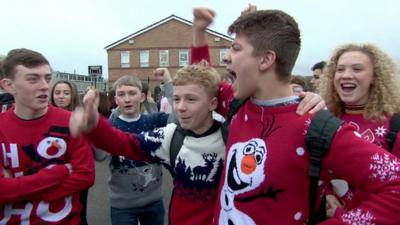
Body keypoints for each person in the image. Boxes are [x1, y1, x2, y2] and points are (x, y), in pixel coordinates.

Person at [191, 7, 400, 224]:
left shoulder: (317, 127)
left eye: (235, 49)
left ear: (265, 60)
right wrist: (199, 30)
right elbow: (201, 82)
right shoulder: (236, 105)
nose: (226, 57)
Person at [0, 48, 95, 224]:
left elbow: (85, 176)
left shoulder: (70, 121)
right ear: (8, 85)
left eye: (48, 78)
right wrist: (59, 173)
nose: (45, 85)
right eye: (33, 79)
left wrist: (20, 188)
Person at [319, 43, 400, 216]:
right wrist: (326, 194)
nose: (346, 75)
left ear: (375, 78)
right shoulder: (323, 120)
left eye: (357, 69)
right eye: (340, 69)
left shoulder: (394, 126)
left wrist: (344, 215)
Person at [96, 70, 173, 225]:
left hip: (153, 201)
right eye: (122, 94)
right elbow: (100, 156)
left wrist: (169, 84)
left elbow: (179, 118)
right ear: (116, 99)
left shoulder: (155, 121)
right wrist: (93, 126)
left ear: (142, 97)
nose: (127, 99)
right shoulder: (111, 126)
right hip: (122, 205)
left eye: (132, 93)